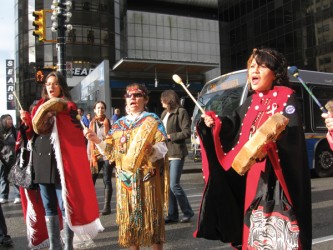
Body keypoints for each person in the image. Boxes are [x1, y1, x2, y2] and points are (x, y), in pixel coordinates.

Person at [195, 48, 312, 249]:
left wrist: (274, 141)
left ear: (275, 73)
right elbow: (233, 127)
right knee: (253, 230)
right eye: (251, 66)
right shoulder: (251, 101)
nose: (254, 70)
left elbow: (293, 140)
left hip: (275, 176)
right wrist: (214, 123)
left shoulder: (285, 97)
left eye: (262, 66)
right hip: (252, 177)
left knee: (278, 236)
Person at [19, 71, 103, 249]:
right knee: (48, 206)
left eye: (55, 83)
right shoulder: (37, 107)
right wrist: (27, 122)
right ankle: (54, 246)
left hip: (61, 165)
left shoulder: (68, 107)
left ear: (61, 86)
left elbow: (72, 135)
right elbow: (31, 135)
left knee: (66, 206)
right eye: (48, 84)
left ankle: (68, 246)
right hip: (41, 162)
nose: (51, 86)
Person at [85, 83, 169, 249]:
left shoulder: (152, 120)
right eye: (129, 95)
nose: (133, 98)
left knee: (153, 222)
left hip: (148, 179)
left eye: (137, 95)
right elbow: (110, 152)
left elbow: (163, 148)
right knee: (130, 225)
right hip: (126, 181)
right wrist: (96, 140)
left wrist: (152, 148)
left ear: (145, 99)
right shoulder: (118, 125)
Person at [160, 90, 194, 223]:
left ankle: (188, 211)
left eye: (163, 99)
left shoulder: (181, 112)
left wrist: (170, 136)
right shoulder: (164, 113)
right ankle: (172, 215)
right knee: (168, 185)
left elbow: (186, 132)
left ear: (169, 99)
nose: (161, 101)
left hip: (177, 152)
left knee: (174, 184)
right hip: (165, 152)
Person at [88, 101, 114, 215]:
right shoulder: (90, 123)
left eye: (102, 108)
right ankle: (91, 207)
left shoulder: (110, 123)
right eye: (98, 108)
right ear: (94, 110)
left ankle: (107, 207)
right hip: (94, 156)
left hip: (106, 155)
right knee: (90, 181)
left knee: (107, 180)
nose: (100, 110)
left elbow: (112, 139)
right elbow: (88, 142)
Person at [0, 114, 20, 204]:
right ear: (3, 121)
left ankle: (17, 196)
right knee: (3, 177)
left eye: (11, 119)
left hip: (13, 158)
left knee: (14, 177)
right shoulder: (0, 132)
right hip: (2, 158)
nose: (10, 121)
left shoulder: (15, 132)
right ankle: (4, 196)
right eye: (8, 119)